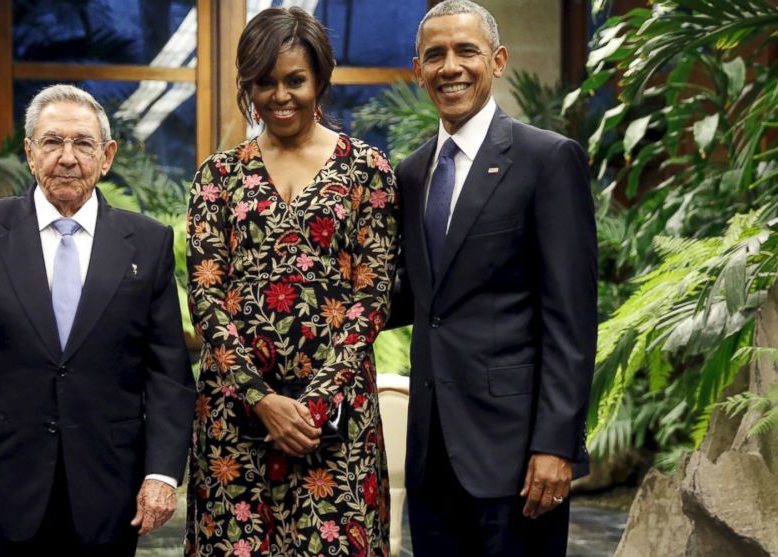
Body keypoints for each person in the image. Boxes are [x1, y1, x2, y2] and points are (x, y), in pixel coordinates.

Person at [0, 84, 197, 556]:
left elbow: (168, 374)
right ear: (30, 154)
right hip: (4, 485)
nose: (67, 157)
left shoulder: (148, 243)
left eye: (83, 143)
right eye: (52, 142)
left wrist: (161, 474)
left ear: (107, 156)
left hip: (111, 488)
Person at [184, 7, 398, 556]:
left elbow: (371, 296)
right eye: (265, 82)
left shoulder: (367, 172)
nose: (279, 95)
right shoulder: (218, 177)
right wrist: (262, 400)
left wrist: (313, 406)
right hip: (235, 421)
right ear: (248, 86)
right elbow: (207, 297)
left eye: (294, 80)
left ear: (320, 80)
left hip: (335, 426)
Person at [389, 1, 597, 555]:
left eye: (466, 51)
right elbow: (417, 295)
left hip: (518, 460)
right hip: (433, 459)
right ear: (418, 69)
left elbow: (570, 320)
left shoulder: (547, 159)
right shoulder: (410, 173)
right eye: (435, 55)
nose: (449, 66)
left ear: (498, 61)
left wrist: (556, 446)